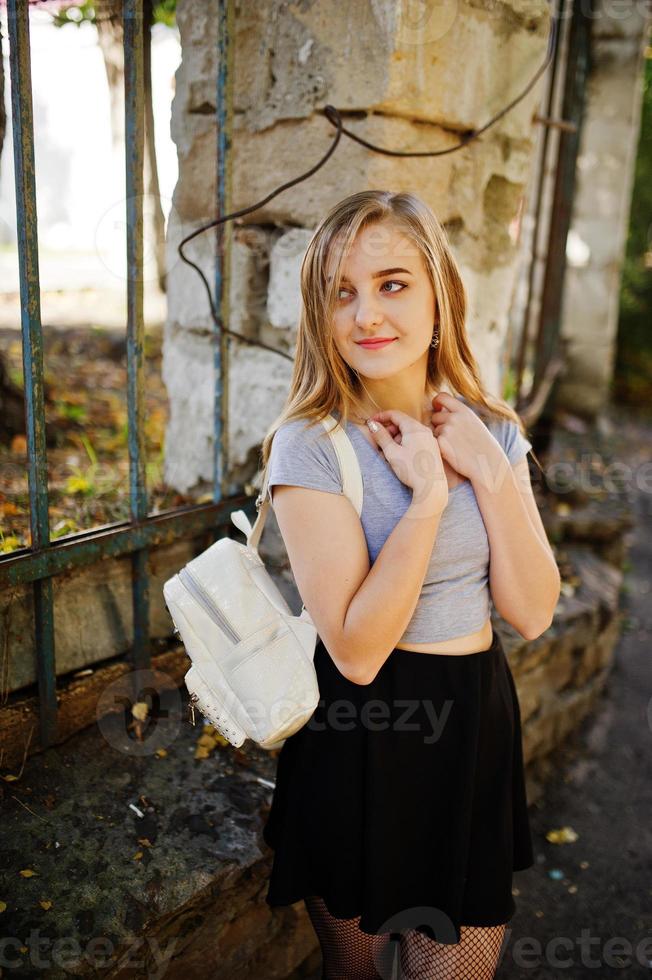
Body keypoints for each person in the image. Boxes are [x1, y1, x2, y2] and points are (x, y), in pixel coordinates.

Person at [258, 190, 561, 979]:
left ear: (439, 295)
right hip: (359, 734)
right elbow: (356, 652)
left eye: (392, 284)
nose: (366, 316)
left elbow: (532, 611)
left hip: (470, 727)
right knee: (354, 974)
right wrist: (427, 498)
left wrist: (489, 470)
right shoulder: (310, 448)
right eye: (341, 292)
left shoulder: (489, 429)